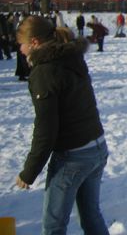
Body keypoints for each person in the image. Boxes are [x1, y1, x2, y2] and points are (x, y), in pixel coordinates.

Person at [15, 15, 109, 234]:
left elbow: (46, 129)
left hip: (74, 156)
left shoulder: (44, 71)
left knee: (53, 225)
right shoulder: (70, 57)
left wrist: (29, 172)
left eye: (21, 43)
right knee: (91, 215)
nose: (19, 49)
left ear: (35, 42)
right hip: (96, 146)